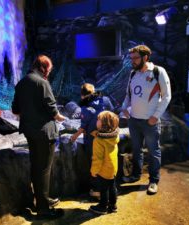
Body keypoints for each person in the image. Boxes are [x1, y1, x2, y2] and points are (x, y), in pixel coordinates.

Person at [11, 55, 66, 219]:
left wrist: (30, 114)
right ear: (44, 67)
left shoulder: (21, 83)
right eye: (48, 70)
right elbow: (51, 107)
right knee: (44, 169)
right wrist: (59, 116)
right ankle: (43, 208)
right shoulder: (42, 82)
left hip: (29, 131)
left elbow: (15, 109)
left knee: (36, 166)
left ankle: (43, 199)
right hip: (44, 132)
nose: (48, 73)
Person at [121, 45, 171, 194]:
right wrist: (124, 107)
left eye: (135, 58)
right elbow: (128, 95)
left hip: (150, 122)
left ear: (145, 57)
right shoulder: (133, 74)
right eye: (131, 58)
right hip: (134, 121)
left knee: (153, 151)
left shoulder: (158, 72)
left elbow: (167, 96)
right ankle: (136, 175)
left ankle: (154, 181)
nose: (133, 61)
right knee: (136, 150)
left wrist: (155, 116)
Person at [70, 83, 113, 197]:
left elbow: (83, 126)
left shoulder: (85, 108)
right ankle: (107, 188)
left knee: (94, 164)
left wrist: (74, 136)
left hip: (92, 141)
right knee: (105, 162)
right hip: (106, 138)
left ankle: (96, 190)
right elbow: (112, 114)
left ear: (82, 95)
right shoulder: (105, 100)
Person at [89, 111, 120, 215]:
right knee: (112, 186)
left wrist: (94, 171)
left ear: (104, 124)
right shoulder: (114, 136)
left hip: (104, 168)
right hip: (113, 167)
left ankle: (102, 207)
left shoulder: (99, 140)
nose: (96, 121)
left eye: (98, 120)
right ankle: (113, 205)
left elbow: (97, 158)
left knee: (104, 189)